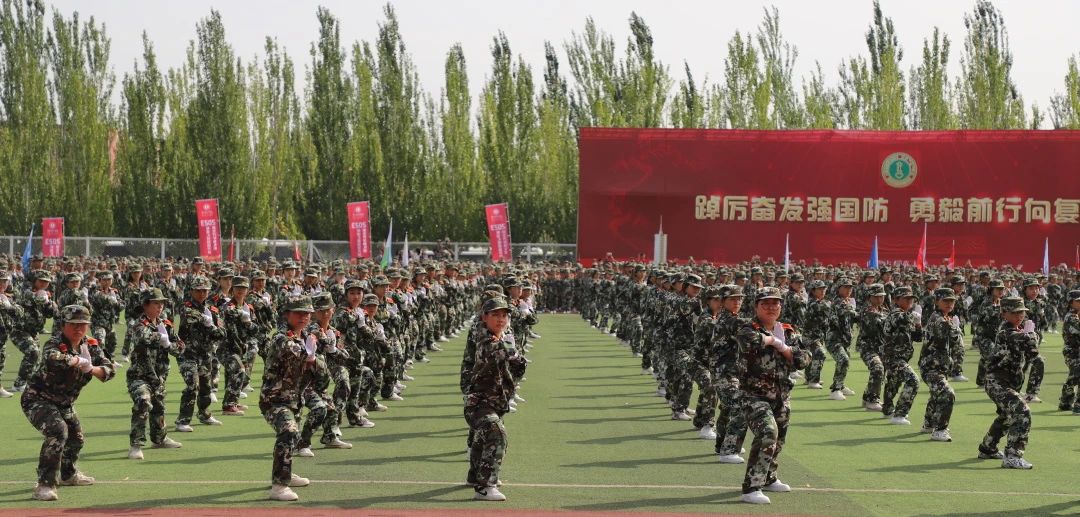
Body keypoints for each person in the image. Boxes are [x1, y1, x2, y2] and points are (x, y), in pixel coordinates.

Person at [22, 305, 115, 501]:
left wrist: (91, 369)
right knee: (58, 431)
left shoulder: (91, 345)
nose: (78, 328)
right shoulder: (54, 343)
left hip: (64, 402)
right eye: (73, 324)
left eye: (83, 324)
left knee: (76, 438)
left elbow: (109, 371)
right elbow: (52, 358)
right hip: (38, 398)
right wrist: (76, 361)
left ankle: (68, 475)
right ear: (63, 325)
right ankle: (44, 485)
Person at [738, 287, 810, 505]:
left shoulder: (788, 331)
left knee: (778, 440)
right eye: (765, 303)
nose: (771, 307)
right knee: (768, 432)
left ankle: (769, 477)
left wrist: (783, 347)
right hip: (754, 395)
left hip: (781, 395)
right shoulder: (746, 328)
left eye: (775, 303)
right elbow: (750, 343)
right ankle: (752, 487)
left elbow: (803, 359)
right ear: (756, 306)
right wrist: (771, 341)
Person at [465, 295, 525, 502]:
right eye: (495, 315)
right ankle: (485, 486)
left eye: (504, 315)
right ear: (484, 317)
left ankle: (474, 476)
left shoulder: (502, 338)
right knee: (497, 434)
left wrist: (514, 355)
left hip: (495, 402)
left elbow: (519, 369)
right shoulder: (484, 338)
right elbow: (493, 352)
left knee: (482, 440)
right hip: (479, 403)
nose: (501, 319)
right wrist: (510, 350)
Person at [261, 296, 317, 501]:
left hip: (294, 398)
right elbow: (295, 357)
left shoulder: (306, 338)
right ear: (287, 314)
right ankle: (279, 486)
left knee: (292, 437)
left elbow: (319, 371)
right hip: (275, 399)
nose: (303, 317)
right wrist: (310, 356)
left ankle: (286, 473)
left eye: (307, 313)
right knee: (288, 431)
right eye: (298, 313)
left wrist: (316, 356)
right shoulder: (281, 338)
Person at [977, 297, 1037, 469]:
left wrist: (1029, 336)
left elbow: (1032, 352)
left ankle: (988, 448)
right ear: (1004, 314)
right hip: (997, 383)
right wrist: (1031, 335)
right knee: (1022, 411)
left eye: (1022, 312)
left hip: (1008, 383)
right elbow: (1029, 346)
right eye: (1014, 313)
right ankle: (1012, 455)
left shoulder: (1018, 331)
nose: (1019, 316)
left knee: (1007, 415)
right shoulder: (1006, 332)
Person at [126, 288, 183, 459]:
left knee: (158, 407)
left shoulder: (166, 324)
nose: (160, 307)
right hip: (140, 376)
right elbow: (142, 338)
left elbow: (180, 347)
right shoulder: (138, 325)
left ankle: (159, 439)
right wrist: (160, 337)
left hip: (159, 376)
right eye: (155, 303)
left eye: (161, 303)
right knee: (143, 401)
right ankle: (136, 445)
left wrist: (169, 345)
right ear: (145, 305)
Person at [175, 276, 225, 432]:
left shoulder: (213, 310)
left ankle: (204, 413)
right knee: (192, 385)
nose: (202, 293)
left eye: (205, 291)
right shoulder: (186, 307)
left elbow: (221, 334)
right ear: (191, 291)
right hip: (187, 354)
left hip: (205, 354)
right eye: (198, 291)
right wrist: (206, 320)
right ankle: (183, 420)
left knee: (206, 386)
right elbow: (190, 318)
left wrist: (212, 326)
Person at [919, 288, 961, 442]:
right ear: (937, 302)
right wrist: (955, 328)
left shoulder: (944, 317)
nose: (949, 304)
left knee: (936, 394)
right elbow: (949, 337)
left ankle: (929, 424)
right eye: (946, 301)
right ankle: (940, 430)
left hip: (938, 365)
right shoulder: (939, 319)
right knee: (947, 393)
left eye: (952, 301)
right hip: (931, 366)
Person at [11, 270, 59, 392]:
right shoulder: (26, 292)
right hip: (19, 330)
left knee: (37, 359)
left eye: (46, 282)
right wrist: (45, 299)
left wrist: (50, 304)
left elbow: (50, 314)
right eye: (41, 281)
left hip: (33, 332)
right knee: (33, 352)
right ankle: (19, 384)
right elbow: (34, 299)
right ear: (35, 281)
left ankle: (31, 382)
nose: (43, 284)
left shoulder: (46, 294)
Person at [882, 286, 921, 425]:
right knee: (913, 380)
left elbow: (917, 338)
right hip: (894, 357)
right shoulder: (896, 314)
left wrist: (918, 325)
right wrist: (913, 316)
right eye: (906, 298)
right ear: (897, 300)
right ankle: (899, 414)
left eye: (911, 299)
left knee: (893, 382)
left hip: (901, 356)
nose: (910, 301)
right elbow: (900, 320)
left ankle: (888, 409)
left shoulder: (906, 315)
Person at [1058, 290, 1080, 413]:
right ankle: (1067, 401)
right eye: (1078, 301)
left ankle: (1071, 404)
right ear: (1071, 302)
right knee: (1075, 375)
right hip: (1072, 351)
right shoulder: (1071, 317)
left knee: (1076, 375)